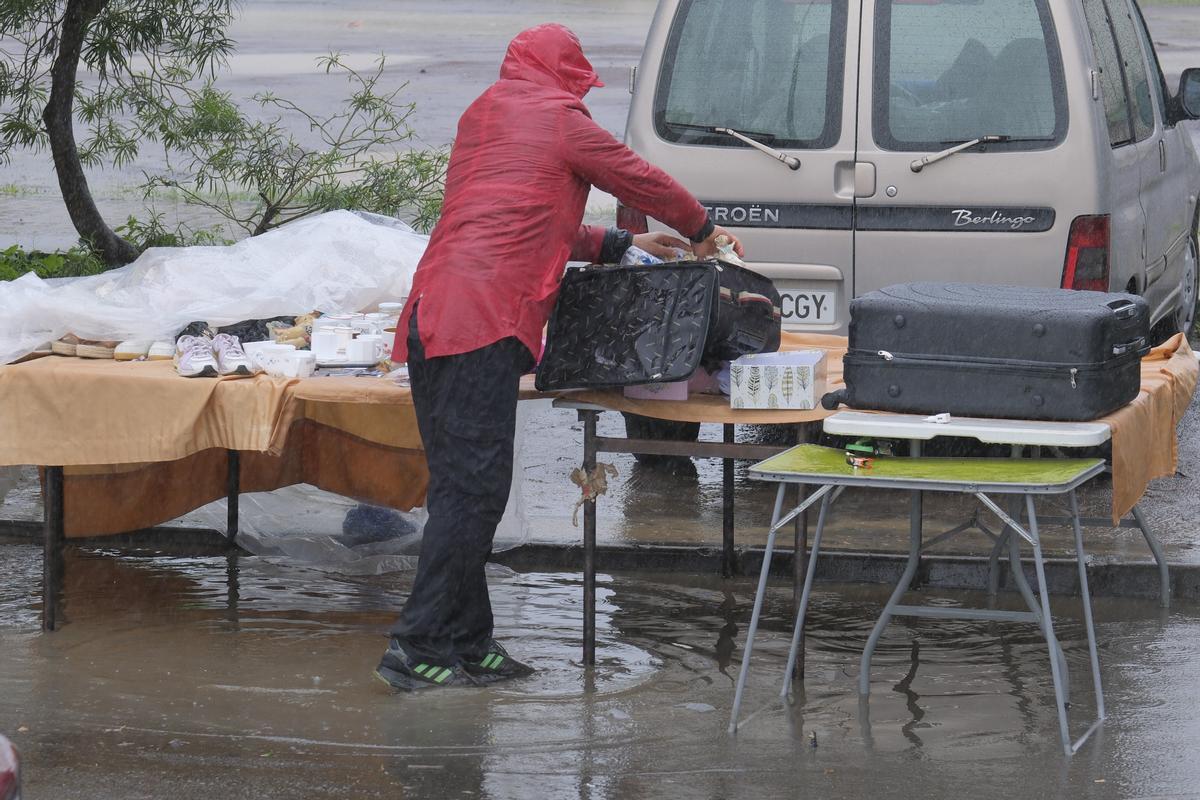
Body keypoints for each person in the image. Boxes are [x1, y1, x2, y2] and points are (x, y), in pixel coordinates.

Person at [376, 23, 744, 691]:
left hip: (432, 314)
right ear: (567, 78)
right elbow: (638, 177)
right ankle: (417, 642)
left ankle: (469, 641)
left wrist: (616, 246)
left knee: (465, 491)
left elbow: (527, 216)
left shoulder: (482, 117)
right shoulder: (559, 119)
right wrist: (701, 229)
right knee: (474, 493)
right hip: (482, 321)